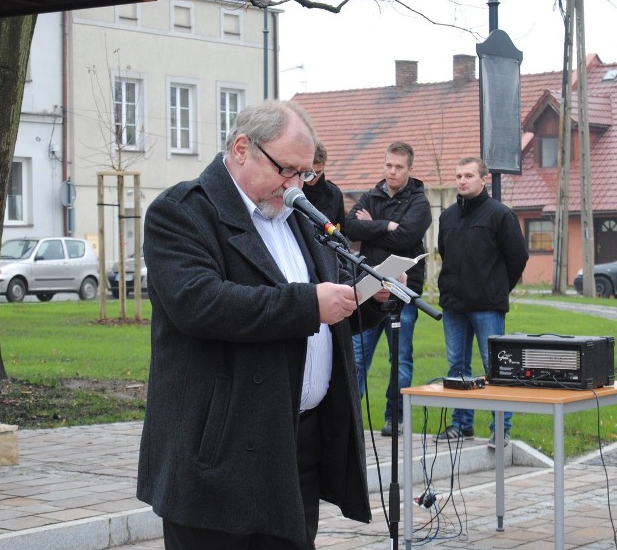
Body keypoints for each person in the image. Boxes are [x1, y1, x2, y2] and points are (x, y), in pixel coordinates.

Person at [136, 100, 390, 550]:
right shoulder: (181, 212)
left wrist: (369, 298)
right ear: (241, 149)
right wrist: (310, 305)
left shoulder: (298, 216)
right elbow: (201, 303)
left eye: (305, 174)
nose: (296, 185)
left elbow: (329, 303)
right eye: (287, 170)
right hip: (218, 452)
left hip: (295, 444)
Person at [435, 156, 529, 448]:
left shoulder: (500, 214)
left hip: (487, 306)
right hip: (454, 306)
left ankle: (501, 429)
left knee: (496, 368)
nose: (462, 181)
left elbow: (518, 257)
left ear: (483, 179)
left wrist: (497, 289)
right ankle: (461, 425)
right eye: (458, 175)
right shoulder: (447, 216)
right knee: (457, 367)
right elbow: (444, 252)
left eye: (468, 175)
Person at [344, 141, 432, 437]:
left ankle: (395, 418)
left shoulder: (419, 202)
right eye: (388, 165)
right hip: (368, 289)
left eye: (398, 167)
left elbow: (407, 238)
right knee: (356, 358)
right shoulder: (371, 195)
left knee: (400, 360)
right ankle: (350, 419)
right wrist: (388, 226)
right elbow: (349, 228)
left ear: (410, 168)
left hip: (402, 292)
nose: (392, 172)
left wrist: (376, 227)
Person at [302, 141, 345, 233]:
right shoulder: (291, 192)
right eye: (308, 172)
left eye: (317, 172)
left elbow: (341, 230)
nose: (312, 177)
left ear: (324, 167)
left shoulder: (335, 193)